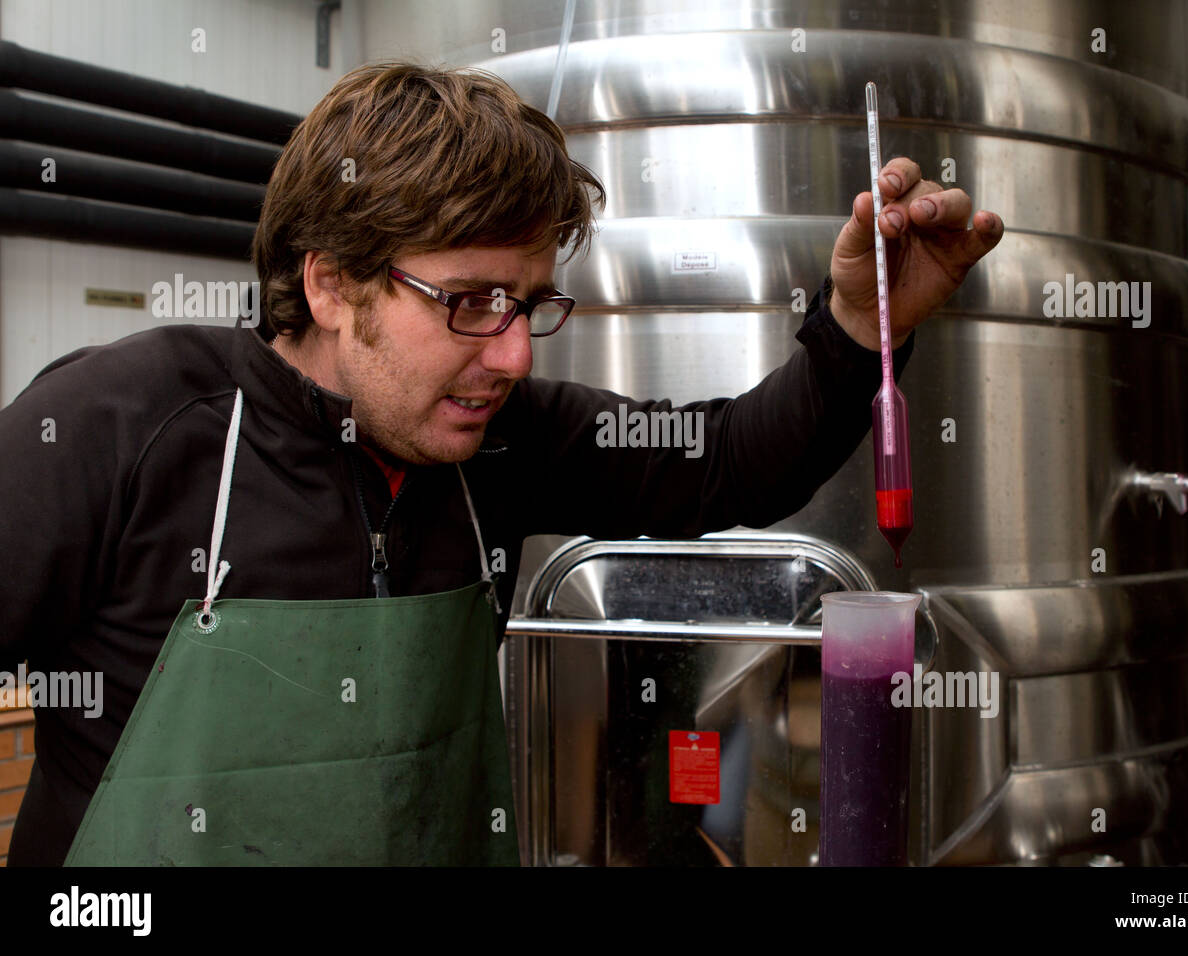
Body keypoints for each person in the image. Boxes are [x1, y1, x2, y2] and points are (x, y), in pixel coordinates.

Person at [0, 61, 1002, 866]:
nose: (515, 353)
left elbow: (729, 463)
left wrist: (856, 330)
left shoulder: (502, 440)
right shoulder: (119, 427)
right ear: (332, 282)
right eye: (470, 300)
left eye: (528, 302)